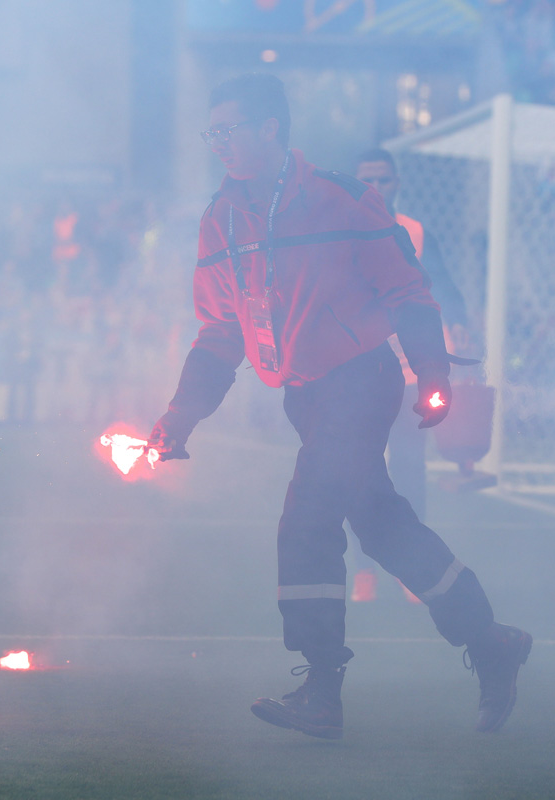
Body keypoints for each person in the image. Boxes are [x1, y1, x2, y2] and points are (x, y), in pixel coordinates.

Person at [145, 74, 531, 738]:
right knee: (380, 526)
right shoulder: (220, 220)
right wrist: (182, 413)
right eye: (213, 134)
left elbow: (408, 290)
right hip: (306, 396)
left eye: (230, 130)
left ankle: (323, 690)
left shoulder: (343, 199)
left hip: (361, 380)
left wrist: (435, 371)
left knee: (307, 519)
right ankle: (491, 640)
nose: (220, 145)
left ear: (271, 128)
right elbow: (220, 331)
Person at [348, 148, 472, 603]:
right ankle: (365, 569)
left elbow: (443, 283)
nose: (376, 188)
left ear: (397, 183)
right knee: (359, 470)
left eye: (384, 180)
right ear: (357, 184)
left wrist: (459, 319)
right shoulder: (342, 233)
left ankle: (409, 571)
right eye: (368, 180)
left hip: (408, 371)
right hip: (358, 371)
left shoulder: (416, 232)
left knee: (408, 471)